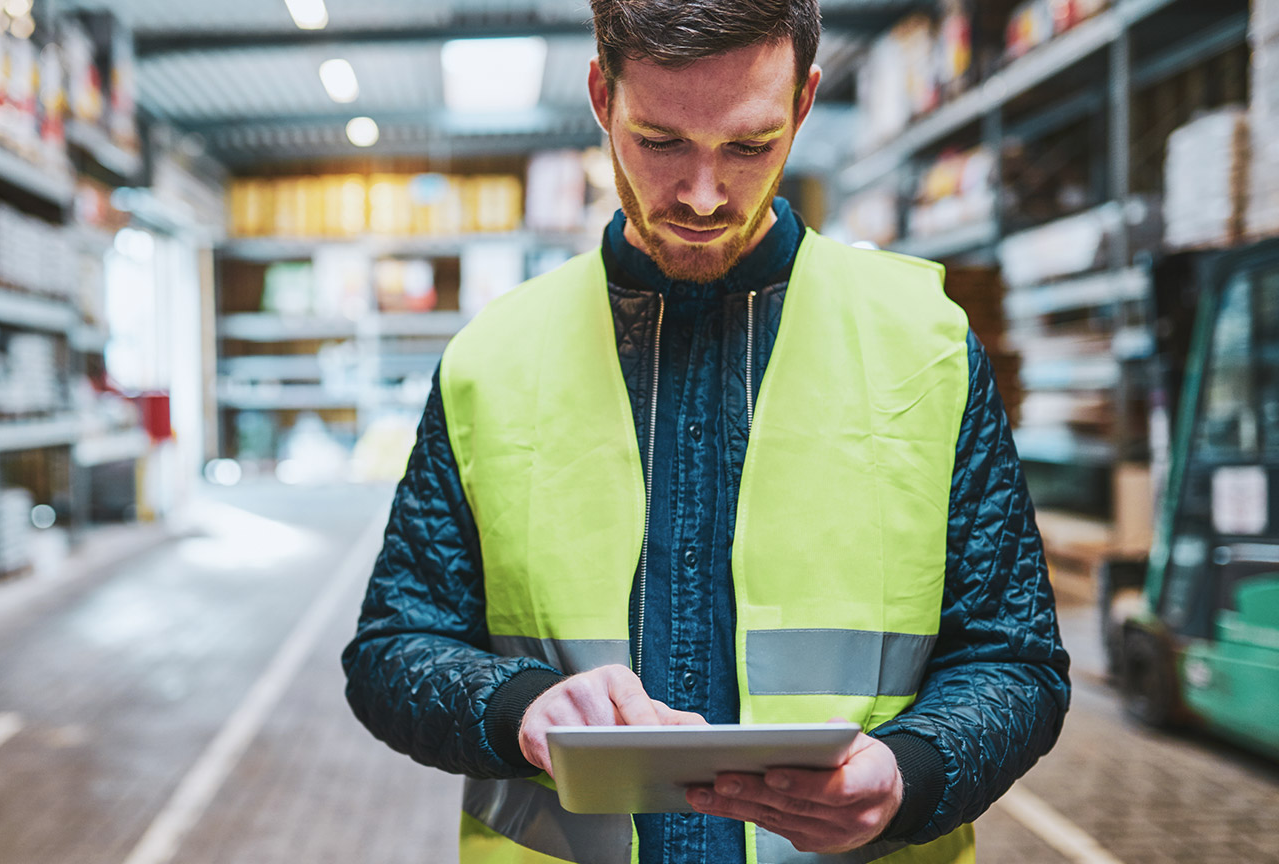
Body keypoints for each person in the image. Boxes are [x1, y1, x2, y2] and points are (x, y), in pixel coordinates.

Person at [342, 0, 1071, 861]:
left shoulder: (926, 345)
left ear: (802, 105)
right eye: (659, 143)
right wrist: (519, 705)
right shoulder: (492, 360)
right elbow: (393, 649)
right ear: (600, 97)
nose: (701, 195)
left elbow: (1016, 657)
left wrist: (914, 770)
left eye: (748, 146)